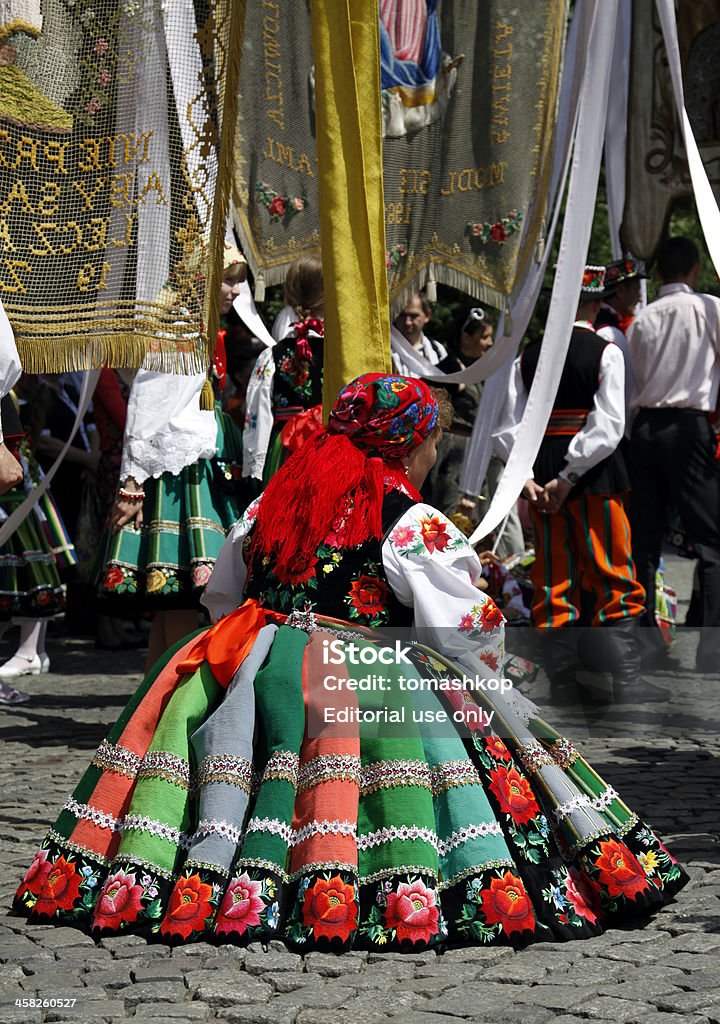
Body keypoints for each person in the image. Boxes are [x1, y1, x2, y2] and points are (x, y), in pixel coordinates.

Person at [15, 373, 687, 952]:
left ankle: (200, 879)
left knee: (233, 767)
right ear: (411, 445)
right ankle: (361, 884)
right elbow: (460, 628)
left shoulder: (271, 499)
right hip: (351, 667)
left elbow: (222, 592)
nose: (430, 458)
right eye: (430, 446)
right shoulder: (409, 518)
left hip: (251, 656)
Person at [494, 267, 667, 705]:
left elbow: (507, 429)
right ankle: (626, 680)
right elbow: (609, 426)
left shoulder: (529, 357)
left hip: (542, 476)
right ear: (595, 304)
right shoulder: (605, 352)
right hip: (591, 478)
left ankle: (564, 681)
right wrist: (569, 475)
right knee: (613, 569)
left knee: (552, 575)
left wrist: (529, 479)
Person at [97, 245, 246, 671]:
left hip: (183, 468)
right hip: (175, 477)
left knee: (175, 604)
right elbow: (147, 406)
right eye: (229, 279)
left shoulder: (190, 323)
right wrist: (132, 483)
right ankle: (164, 713)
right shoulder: (177, 325)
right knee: (181, 594)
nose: (236, 291)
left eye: (238, 280)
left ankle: (153, 708)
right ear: (202, 277)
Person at [626, 236, 720, 672]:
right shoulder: (707, 308)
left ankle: (647, 644)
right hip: (686, 426)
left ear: (659, 272)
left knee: (645, 539)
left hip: (645, 427)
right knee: (712, 538)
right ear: (695, 269)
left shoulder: (641, 319)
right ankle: (711, 646)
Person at [243, 254, 325, 485]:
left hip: (285, 452)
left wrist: (254, 472)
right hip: (330, 452)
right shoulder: (343, 356)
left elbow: (258, 416)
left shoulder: (271, 356)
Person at [392, 291, 447, 372]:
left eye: (413, 316)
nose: (407, 322)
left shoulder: (437, 350)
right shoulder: (384, 352)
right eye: (402, 315)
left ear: (427, 315)